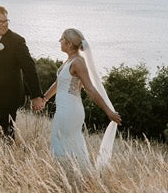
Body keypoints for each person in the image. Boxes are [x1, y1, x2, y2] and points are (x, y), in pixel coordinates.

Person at [43, 28, 121, 169]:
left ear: (70, 44)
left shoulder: (78, 62)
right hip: (65, 110)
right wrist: (44, 99)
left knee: (62, 144)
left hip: (70, 111)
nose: (59, 41)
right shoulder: (70, 60)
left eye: (62, 39)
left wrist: (108, 112)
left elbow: (90, 89)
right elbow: (58, 84)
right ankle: (75, 177)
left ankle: (72, 176)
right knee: (67, 144)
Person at [0, 6, 45, 139]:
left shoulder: (17, 41)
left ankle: (6, 156)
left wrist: (36, 95)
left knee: (5, 133)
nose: (4, 24)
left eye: (6, 20)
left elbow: (29, 69)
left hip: (7, 96)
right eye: (0, 21)